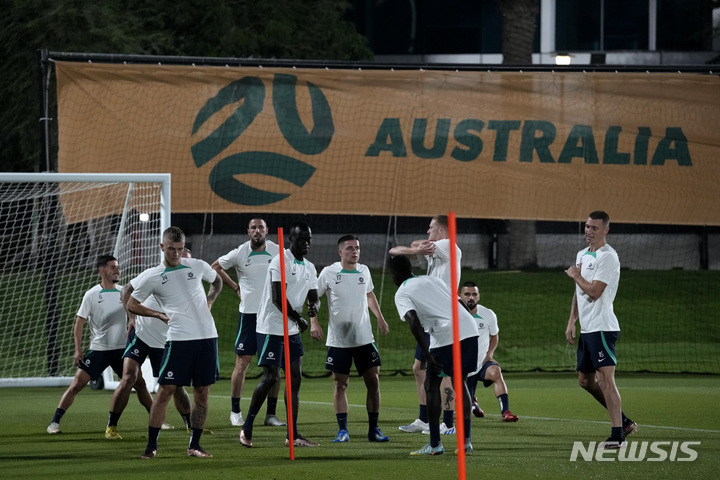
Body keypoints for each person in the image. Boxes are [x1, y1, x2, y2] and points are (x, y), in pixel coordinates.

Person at [126, 226, 223, 459]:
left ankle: (195, 445)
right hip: (179, 339)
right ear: (162, 247)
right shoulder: (153, 276)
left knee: (202, 392)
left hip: (208, 338)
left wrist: (210, 301)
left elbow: (217, 281)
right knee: (165, 391)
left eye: (180, 249)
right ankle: (151, 447)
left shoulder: (197, 265)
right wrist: (157, 315)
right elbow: (131, 303)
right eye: (171, 249)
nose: (176, 253)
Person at [47, 255, 152, 434]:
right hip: (99, 350)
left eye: (117, 267)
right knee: (76, 385)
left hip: (121, 350)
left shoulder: (124, 292)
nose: (117, 270)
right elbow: (79, 322)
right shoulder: (92, 294)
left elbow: (134, 313)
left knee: (140, 384)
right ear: (102, 271)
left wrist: (132, 320)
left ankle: (157, 419)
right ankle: (54, 423)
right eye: (113, 267)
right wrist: (78, 350)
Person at [239, 221, 320, 448]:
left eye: (309, 239)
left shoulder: (310, 267)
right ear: (291, 240)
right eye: (302, 239)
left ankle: (293, 434)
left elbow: (314, 295)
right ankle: (247, 427)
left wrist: (315, 307)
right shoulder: (279, 261)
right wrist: (298, 318)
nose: (306, 243)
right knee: (271, 377)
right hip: (271, 328)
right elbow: (277, 298)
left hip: (292, 331)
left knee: (295, 379)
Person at [390, 255, 478, 456]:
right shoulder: (433, 279)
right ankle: (465, 442)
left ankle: (435, 444)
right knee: (460, 382)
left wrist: (428, 355)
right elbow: (461, 304)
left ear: (394, 274)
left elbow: (413, 321)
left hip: (446, 334)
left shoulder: (402, 291)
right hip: (469, 329)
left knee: (431, 385)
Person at [105, 248, 197, 440]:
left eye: (188, 260)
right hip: (141, 334)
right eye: (180, 257)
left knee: (177, 386)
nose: (183, 261)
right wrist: (131, 317)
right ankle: (111, 426)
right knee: (129, 377)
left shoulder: (192, 284)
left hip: (165, 341)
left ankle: (191, 426)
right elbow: (125, 290)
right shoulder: (155, 274)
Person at [565, 211, 638, 449]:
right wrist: (572, 320)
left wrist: (576, 275)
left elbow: (595, 291)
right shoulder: (582, 254)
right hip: (587, 329)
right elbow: (578, 292)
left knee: (606, 380)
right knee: (585, 381)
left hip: (602, 328)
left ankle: (617, 435)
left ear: (606, 230)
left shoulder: (608, 257)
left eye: (594, 228)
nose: (589, 231)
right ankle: (625, 422)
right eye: (587, 227)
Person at [311, 234, 390, 443]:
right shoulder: (328, 272)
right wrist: (313, 322)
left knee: (373, 381)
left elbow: (369, 295)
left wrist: (380, 318)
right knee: (340, 385)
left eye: (357, 248)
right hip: (339, 341)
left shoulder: (364, 271)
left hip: (364, 338)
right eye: (349, 248)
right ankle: (343, 430)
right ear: (340, 252)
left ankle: (374, 429)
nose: (354, 251)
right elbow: (313, 297)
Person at [389, 215, 463, 434]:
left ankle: (448, 423)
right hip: (432, 316)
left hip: (445, 318)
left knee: (444, 373)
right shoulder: (435, 249)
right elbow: (403, 248)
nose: (427, 231)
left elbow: (400, 250)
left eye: (430, 228)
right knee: (418, 367)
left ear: (441, 230)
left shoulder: (448, 245)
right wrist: (418, 248)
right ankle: (424, 419)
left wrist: (416, 250)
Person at [211, 217, 285, 428]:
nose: (257, 230)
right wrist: (235, 287)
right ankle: (235, 412)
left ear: (267, 230)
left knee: (274, 367)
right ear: (248, 232)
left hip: (271, 315)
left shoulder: (278, 250)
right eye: (253, 227)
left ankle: (271, 414)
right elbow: (215, 266)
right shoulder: (240, 252)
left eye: (261, 227)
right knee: (242, 363)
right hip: (249, 315)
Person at [460, 281, 518, 422]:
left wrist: (489, 354)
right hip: (464, 367)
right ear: (460, 296)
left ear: (479, 296)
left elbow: (494, 335)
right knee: (462, 408)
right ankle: (473, 404)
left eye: (474, 294)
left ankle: (506, 412)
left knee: (496, 372)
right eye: (467, 294)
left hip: (483, 363)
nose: (471, 297)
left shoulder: (488, 314)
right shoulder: (455, 316)